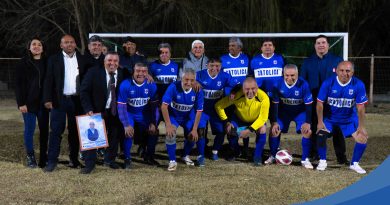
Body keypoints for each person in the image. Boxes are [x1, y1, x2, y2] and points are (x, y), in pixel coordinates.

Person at [43, 34, 92, 172]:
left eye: (71, 42)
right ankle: (52, 161)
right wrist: (47, 99)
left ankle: (74, 159)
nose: (69, 44)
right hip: (60, 100)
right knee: (56, 131)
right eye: (66, 42)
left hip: (77, 101)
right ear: (61, 45)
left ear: (75, 44)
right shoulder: (53, 59)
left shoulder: (83, 60)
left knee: (75, 132)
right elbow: (48, 80)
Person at [300, 35, 346, 164]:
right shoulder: (307, 62)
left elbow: (343, 80)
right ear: (315, 45)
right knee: (315, 127)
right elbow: (303, 81)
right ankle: (314, 154)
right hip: (315, 101)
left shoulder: (337, 61)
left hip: (332, 101)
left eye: (323, 42)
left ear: (328, 45)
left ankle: (341, 156)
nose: (321, 45)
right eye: (318, 43)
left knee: (337, 128)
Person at [316, 61, 368, 174]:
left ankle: (354, 164)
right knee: (320, 134)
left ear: (353, 72)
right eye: (342, 70)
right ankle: (323, 161)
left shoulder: (358, 85)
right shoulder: (328, 83)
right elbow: (319, 103)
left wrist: (361, 126)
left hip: (348, 120)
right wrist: (320, 122)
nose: (344, 73)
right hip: (330, 119)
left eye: (348, 71)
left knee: (363, 138)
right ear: (336, 71)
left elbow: (360, 108)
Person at [79, 52, 125, 174]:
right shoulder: (93, 72)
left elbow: (137, 74)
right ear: (104, 61)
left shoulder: (123, 73)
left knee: (114, 136)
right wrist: (88, 108)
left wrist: (148, 75)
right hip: (96, 109)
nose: (112, 63)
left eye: (115, 61)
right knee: (93, 137)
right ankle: (89, 164)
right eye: (109, 60)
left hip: (114, 110)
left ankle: (110, 160)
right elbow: (84, 91)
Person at [265, 64, 314, 169]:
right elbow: (275, 104)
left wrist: (308, 122)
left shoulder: (304, 84)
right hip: (284, 113)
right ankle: (273, 155)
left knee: (307, 132)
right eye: (287, 75)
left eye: (292, 75)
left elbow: (309, 105)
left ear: (297, 74)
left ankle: (305, 159)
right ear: (283, 74)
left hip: (300, 113)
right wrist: (274, 121)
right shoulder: (277, 83)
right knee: (274, 130)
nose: (289, 78)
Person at [215, 77, 270, 166]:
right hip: (239, 120)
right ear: (242, 88)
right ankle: (236, 151)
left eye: (253, 89)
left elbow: (263, 118)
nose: (250, 92)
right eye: (247, 89)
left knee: (262, 129)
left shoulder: (264, 97)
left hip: (255, 121)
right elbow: (218, 106)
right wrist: (226, 122)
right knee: (230, 130)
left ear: (257, 87)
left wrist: (249, 130)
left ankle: (257, 155)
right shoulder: (236, 95)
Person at [161, 68, 207, 171]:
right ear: (182, 78)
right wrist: (168, 125)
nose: (188, 82)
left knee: (194, 135)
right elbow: (164, 106)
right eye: (186, 79)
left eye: (191, 80)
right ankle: (172, 161)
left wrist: (195, 129)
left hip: (188, 117)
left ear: (195, 80)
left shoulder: (198, 90)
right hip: (174, 116)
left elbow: (199, 111)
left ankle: (184, 155)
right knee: (170, 133)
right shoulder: (173, 87)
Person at [15, 37, 49, 168]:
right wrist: (21, 103)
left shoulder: (47, 62)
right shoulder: (23, 63)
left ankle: (43, 158)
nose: (36, 46)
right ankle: (30, 156)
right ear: (29, 47)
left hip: (43, 104)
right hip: (28, 104)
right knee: (29, 131)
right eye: (33, 44)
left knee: (44, 131)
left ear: (42, 47)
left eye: (39, 44)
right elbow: (18, 85)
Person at [117, 62, 159, 169]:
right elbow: (121, 107)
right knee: (129, 133)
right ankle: (127, 158)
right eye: (138, 71)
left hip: (144, 113)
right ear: (133, 71)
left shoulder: (151, 85)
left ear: (147, 73)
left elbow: (155, 107)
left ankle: (149, 156)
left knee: (153, 131)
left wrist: (154, 122)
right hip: (129, 113)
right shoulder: (125, 85)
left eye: (144, 71)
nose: (141, 74)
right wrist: (126, 124)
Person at [196, 57, 238, 160]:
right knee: (200, 131)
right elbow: (186, 82)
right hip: (202, 109)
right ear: (207, 65)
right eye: (212, 66)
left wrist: (233, 91)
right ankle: (201, 154)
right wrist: (194, 82)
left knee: (221, 131)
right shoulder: (199, 75)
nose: (214, 68)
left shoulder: (225, 76)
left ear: (221, 66)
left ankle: (215, 151)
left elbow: (238, 85)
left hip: (216, 109)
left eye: (217, 66)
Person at [220, 37, 251, 157]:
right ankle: (234, 148)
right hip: (229, 98)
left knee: (244, 122)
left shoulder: (246, 58)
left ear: (239, 47)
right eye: (229, 45)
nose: (230, 47)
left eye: (233, 45)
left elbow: (250, 76)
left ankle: (246, 149)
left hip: (244, 97)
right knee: (231, 124)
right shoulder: (223, 59)